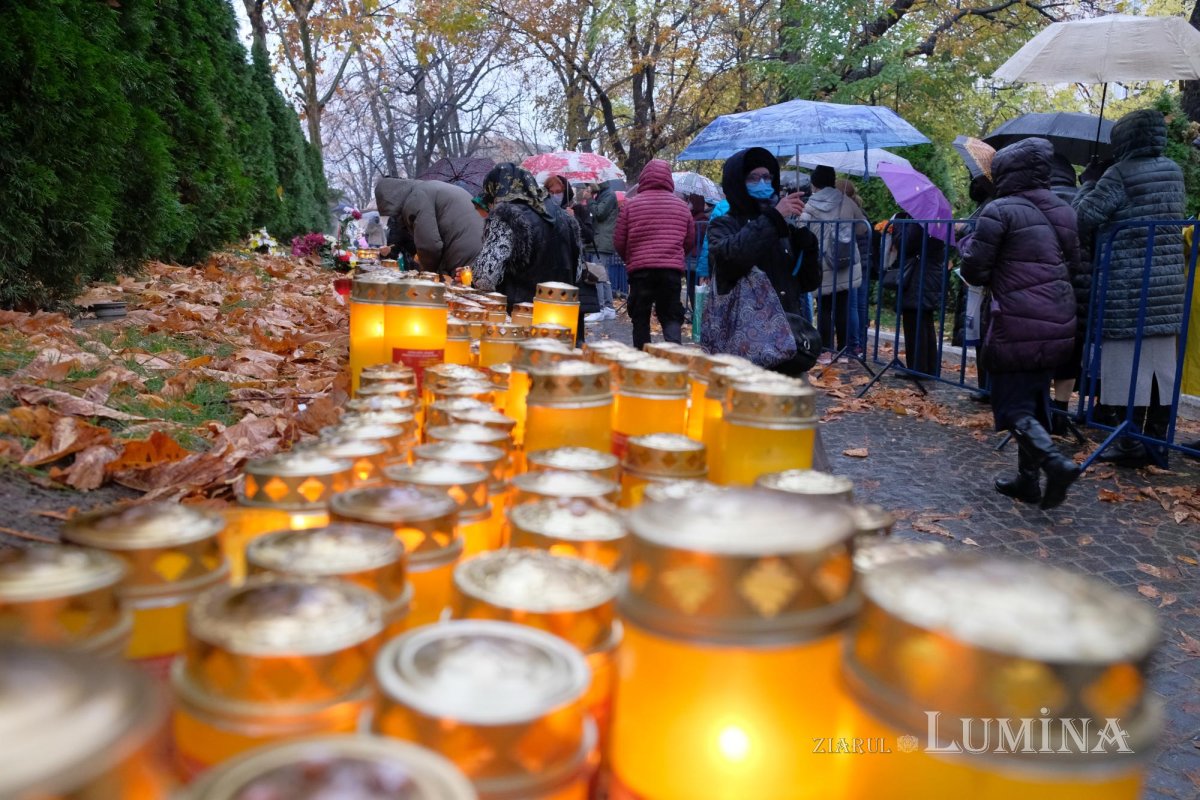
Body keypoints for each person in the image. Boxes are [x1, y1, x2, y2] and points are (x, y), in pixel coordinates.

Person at [960, 137, 1081, 510]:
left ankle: (1053, 463)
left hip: (1016, 320)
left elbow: (975, 270)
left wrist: (966, 245)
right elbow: (1073, 263)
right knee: (1034, 399)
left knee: (1013, 406)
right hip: (1059, 318)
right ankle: (1028, 481)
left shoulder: (1000, 210)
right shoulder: (1065, 210)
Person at [1073, 108, 1187, 467]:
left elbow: (1081, 218)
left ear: (1125, 139)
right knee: (1161, 367)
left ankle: (1127, 442)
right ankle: (1157, 443)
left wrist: (1090, 181)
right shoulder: (1173, 169)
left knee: (1125, 364)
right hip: (1167, 286)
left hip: (1127, 285)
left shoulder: (1118, 173)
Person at [707, 147, 822, 376]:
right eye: (753, 177)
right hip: (743, 348)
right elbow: (733, 259)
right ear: (738, 182)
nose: (763, 182)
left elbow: (807, 283)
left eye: (767, 177)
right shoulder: (724, 225)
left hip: (786, 344)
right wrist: (773, 219)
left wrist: (808, 248)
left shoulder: (784, 229)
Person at [471, 164, 583, 320]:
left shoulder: (505, 216)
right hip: (562, 317)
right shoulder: (565, 217)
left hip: (521, 317)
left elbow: (484, 278)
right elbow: (577, 272)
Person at [613, 160, 696, 350]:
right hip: (670, 272)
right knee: (671, 315)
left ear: (643, 178)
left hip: (641, 272)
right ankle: (674, 357)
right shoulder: (682, 206)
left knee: (640, 316)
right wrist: (676, 257)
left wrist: (631, 259)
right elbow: (689, 240)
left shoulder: (630, 206)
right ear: (669, 178)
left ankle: (642, 361)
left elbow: (619, 240)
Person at [798, 166, 865, 362]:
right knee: (843, 305)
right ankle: (844, 351)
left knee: (825, 307)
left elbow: (802, 230)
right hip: (846, 260)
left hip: (822, 260)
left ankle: (826, 351)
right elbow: (862, 228)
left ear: (814, 183)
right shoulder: (845, 200)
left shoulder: (811, 204)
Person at [374, 178, 483, 276]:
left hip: (461, 250)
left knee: (457, 294)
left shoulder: (416, 198)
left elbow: (429, 246)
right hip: (478, 246)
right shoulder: (426, 189)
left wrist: (426, 274)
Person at [894, 214, 947, 377]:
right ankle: (930, 368)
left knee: (914, 321)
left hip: (919, 275)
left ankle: (917, 369)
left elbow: (905, 243)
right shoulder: (938, 219)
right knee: (925, 321)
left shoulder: (919, 219)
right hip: (930, 273)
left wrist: (898, 226)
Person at [836, 178, 872, 356]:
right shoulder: (860, 211)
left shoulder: (846, 212)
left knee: (851, 305)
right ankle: (860, 345)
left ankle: (852, 345)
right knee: (861, 305)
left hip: (852, 263)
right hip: (864, 262)